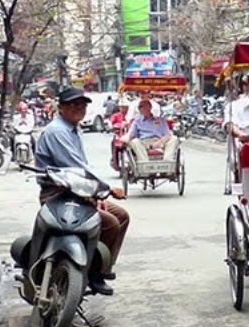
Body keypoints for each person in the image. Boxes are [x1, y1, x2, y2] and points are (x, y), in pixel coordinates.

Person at [34, 88, 129, 295]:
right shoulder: (57, 131)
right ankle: (94, 273)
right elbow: (77, 167)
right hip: (58, 195)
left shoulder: (73, 129)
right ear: (61, 107)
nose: (79, 108)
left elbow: (81, 171)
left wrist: (95, 194)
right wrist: (107, 189)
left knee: (121, 216)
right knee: (111, 223)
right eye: (73, 104)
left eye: (82, 105)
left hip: (77, 192)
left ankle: (102, 267)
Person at [122, 99, 179, 165]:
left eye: (141, 106)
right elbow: (131, 134)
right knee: (135, 141)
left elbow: (168, 135)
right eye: (138, 107)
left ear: (149, 107)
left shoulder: (161, 120)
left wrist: (159, 142)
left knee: (174, 139)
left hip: (160, 141)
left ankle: (167, 162)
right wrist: (125, 139)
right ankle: (144, 164)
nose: (139, 109)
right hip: (144, 142)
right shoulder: (137, 121)